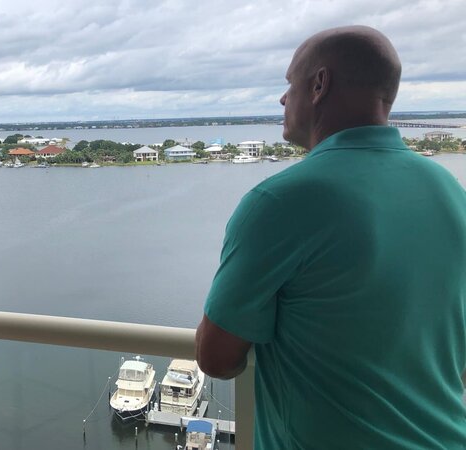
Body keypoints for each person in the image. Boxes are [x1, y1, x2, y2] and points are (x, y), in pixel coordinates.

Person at [195, 26, 466, 448]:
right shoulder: (448, 189)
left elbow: (216, 359)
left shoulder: (279, 201)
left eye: (290, 84)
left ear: (319, 84)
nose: (283, 99)